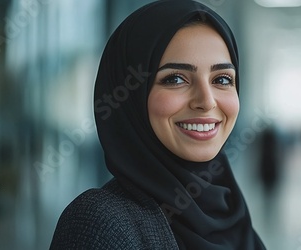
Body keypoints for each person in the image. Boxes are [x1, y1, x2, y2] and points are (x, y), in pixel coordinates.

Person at [50, 1, 266, 249]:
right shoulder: (100, 222)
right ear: (132, 97)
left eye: (222, 79)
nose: (206, 101)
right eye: (175, 78)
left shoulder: (229, 209)